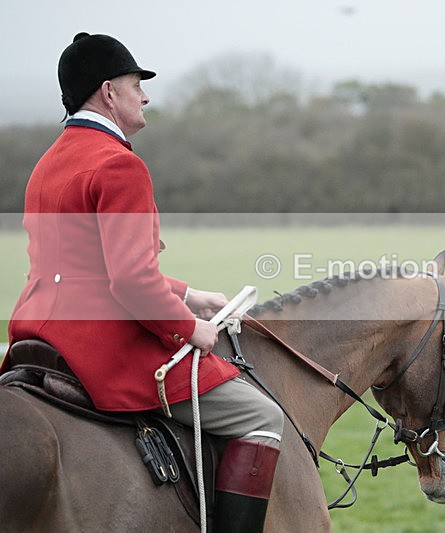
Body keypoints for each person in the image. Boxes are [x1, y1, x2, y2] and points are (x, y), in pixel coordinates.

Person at [2, 32, 283, 532]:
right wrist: (188, 326)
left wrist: (188, 294)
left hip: (39, 332)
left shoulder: (49, 162)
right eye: (137, 85)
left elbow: (86, 263)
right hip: (104, 344)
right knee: (260, 416)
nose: (145, 95)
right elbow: (129, 281)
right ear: (109, 92)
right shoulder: (119, 163)